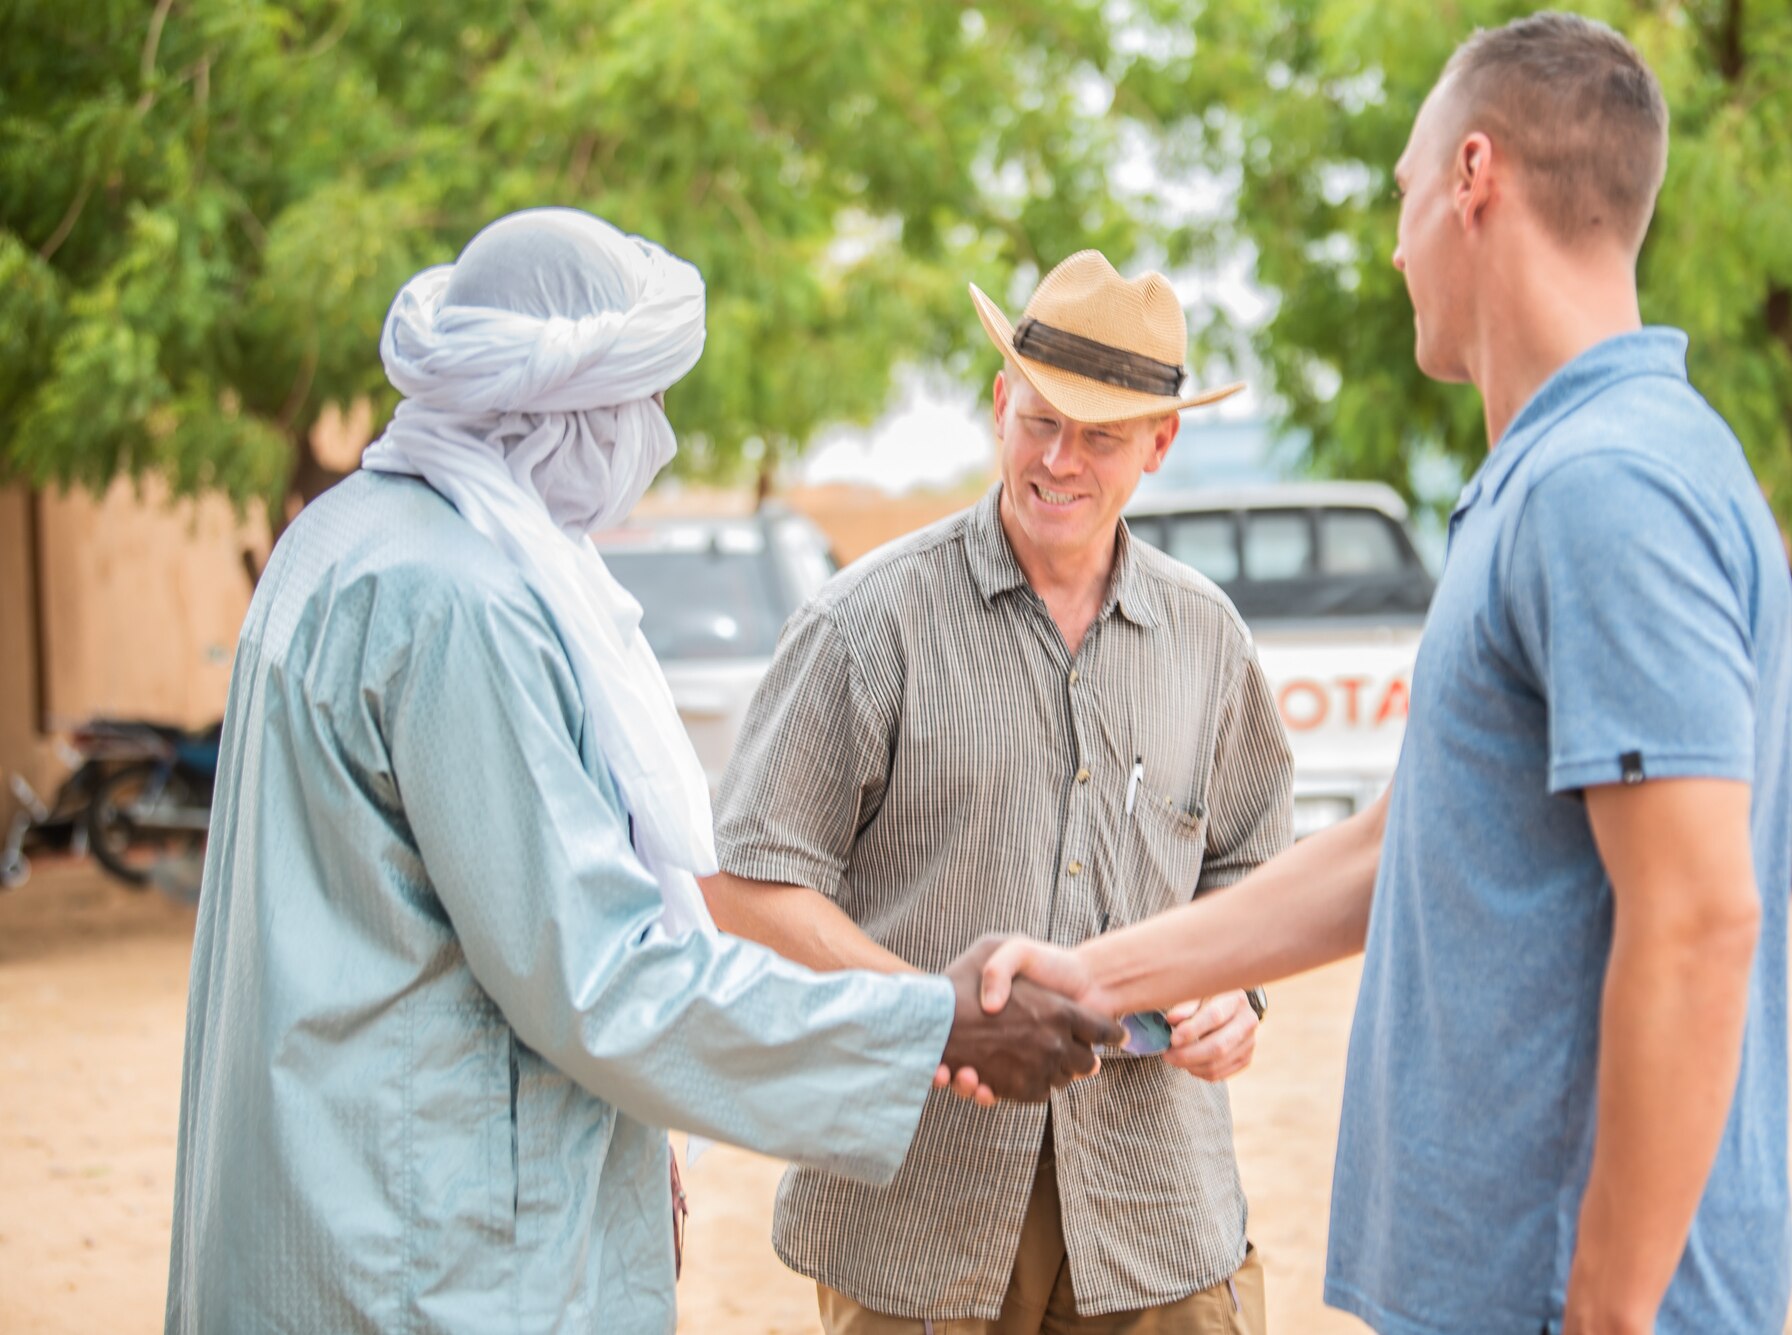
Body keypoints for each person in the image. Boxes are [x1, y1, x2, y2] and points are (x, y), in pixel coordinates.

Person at [980, 16, 1792, 1335]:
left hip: (1555, 1296)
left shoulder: (1605, 486)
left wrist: (1606, 1309)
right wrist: (1091, 975)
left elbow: (1701, 917)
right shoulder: (1569, 471)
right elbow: (1395, 848)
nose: (1397, 238)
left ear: (1476, 174)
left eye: (1408, 191)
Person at [165, 207, 1119, 1334]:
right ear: (560, 414)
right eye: (641, 404)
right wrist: (928, 1023)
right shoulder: (460, 603)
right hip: (427, 1244)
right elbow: (599, 975)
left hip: (347, 1181)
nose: (655, 438)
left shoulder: (347, 540)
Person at [703, 250, 1295, 1333]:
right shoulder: (862, 626)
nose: (1058, 460)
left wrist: (1236, 991)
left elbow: (1251, 859)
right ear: (996, 406)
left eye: (1100, 435)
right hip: (918, 1217)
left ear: (1160, 443)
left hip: (1158, 1215)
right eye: (1038, 421)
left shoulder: (1207, 638)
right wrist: (932, 1017)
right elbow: (746, 884)